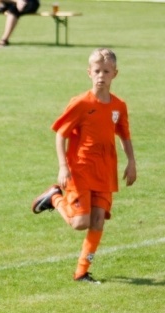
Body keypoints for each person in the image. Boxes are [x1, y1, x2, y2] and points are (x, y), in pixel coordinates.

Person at [32, 48, 136, 284]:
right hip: (80, 170)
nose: (101, 76)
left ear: (115, 74)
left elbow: (124, 135)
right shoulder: (80, 103)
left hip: (105, 171)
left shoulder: (119, 106)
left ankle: (82, 272)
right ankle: (55, 198)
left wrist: (131, 162)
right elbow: (61, 134)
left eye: (106, 71)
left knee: (98, 221)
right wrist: (63, 166)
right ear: (89, 72)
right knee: (80, 223)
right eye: (97, 71)